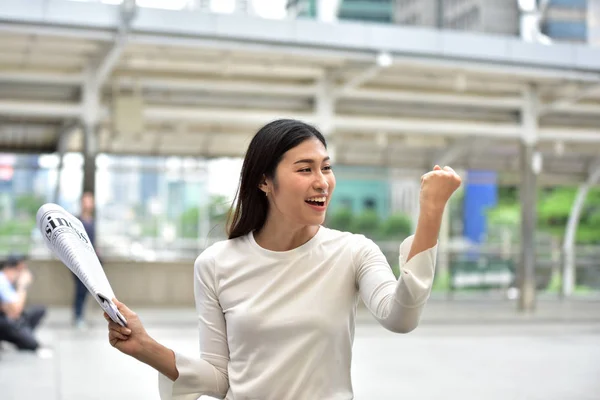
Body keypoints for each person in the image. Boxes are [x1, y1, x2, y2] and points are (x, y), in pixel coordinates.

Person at [104, 119, 462, 400]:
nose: (322, 182)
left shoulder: (354, 252)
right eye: (305, 169)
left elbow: (401, 317)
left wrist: (431, 212)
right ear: (264, 181)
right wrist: (145, 347)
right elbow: (219, 377)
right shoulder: (216, 264)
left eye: (326, 167)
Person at [0, 254, 47, 352]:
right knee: (32, 344)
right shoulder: (3, 280)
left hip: (13, 318)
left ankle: (24, 334)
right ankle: (22, 336)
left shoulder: (9, 281)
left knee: (39, 310)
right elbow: (16, 310)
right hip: (6, 322)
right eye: (22, 269)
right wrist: (22, 286)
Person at [73, 191, 97, 329]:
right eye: (86, 201)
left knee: (87, 291)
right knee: (80, 291)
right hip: (80, 262)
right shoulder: (77, 221)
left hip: (91, 261)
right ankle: (78, 316)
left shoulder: (92, 221)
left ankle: (81, 315)